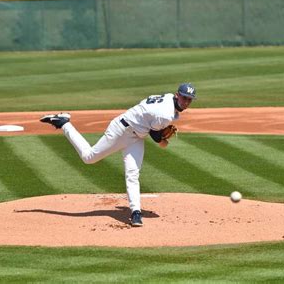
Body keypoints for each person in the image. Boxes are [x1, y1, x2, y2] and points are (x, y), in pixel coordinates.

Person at [40, 83, 197, 227]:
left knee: (133, 173)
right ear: (177, 95)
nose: (186, 102)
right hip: (120, 130)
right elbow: (156, 137)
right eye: (184, 97)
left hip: (136, 136)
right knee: (89, 157)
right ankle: (64, 122)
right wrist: (164, 142)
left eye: (189, 99)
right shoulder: (165, 114)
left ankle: (136, 212)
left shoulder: (169, 98)